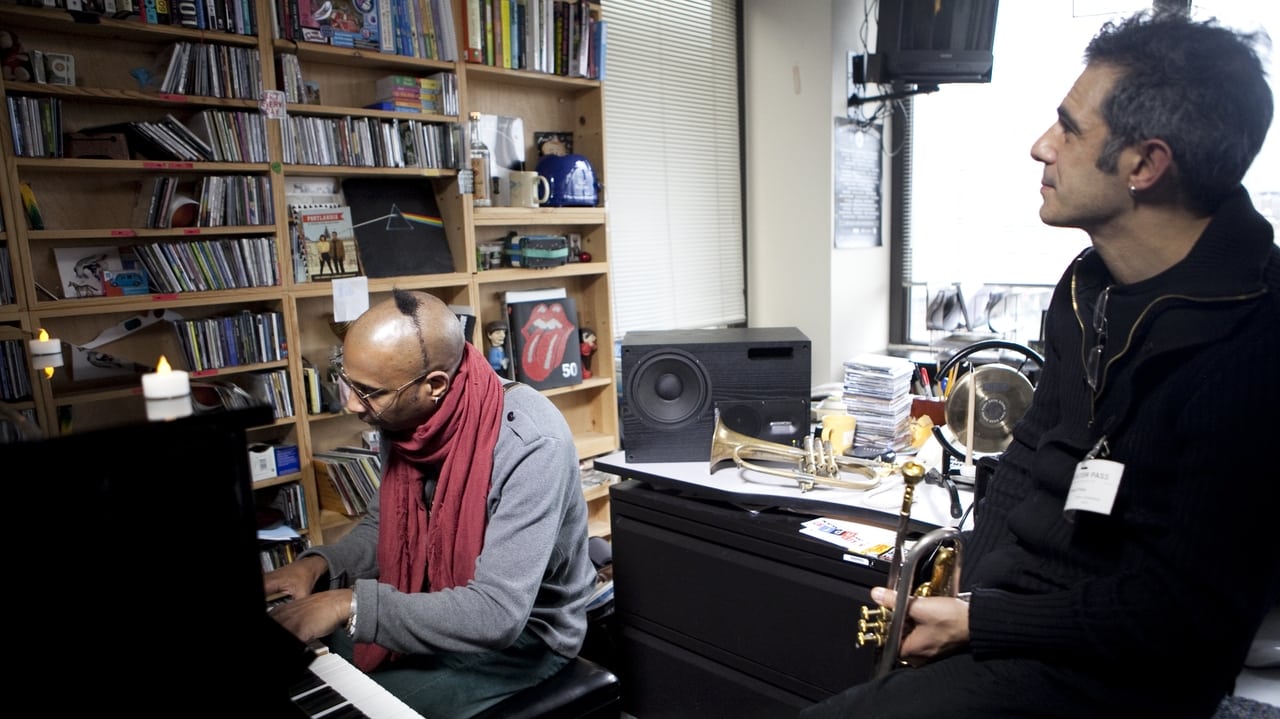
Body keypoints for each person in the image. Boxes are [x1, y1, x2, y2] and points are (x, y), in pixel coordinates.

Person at [801, 11, 1279, 719]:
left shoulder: (1253, 346)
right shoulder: (1088, 288)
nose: (1039, 147)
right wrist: (967, 593)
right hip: (1020, 625)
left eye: (1069, 129)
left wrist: (980, 625)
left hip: (1126, 676)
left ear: (1145, 164)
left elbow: (1181, 618)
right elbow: (1029, 453)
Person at [266, 289, 596, 718]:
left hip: (528, 638)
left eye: (367, 391)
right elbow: (384, 526)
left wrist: (350, 604)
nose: (350, 403)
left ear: (434, 386)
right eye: (345, 380)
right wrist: (317, 566)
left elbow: (497, 613)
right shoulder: (404, 415)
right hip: (435, 599)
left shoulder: (531, 442)